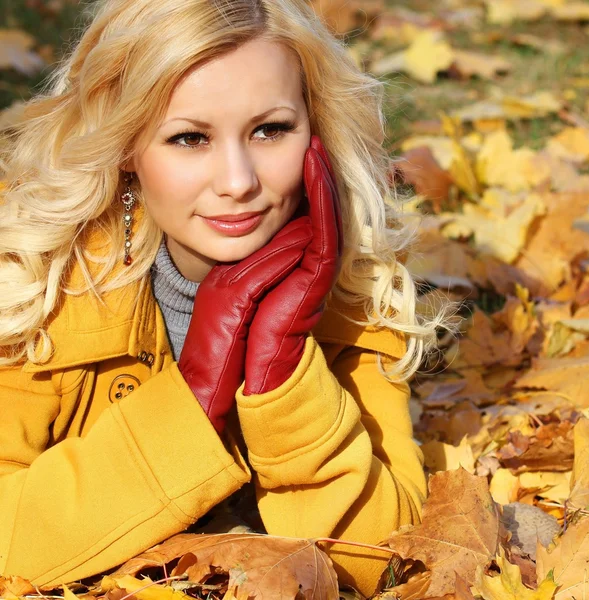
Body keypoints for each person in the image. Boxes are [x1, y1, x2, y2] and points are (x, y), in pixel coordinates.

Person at [0, 0, 454, 595]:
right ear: (126, 150)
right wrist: (193, 395)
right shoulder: (39, 287)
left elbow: (386, 557)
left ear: (316, 133)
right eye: (190, 138)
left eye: (270, 130)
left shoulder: (356, 291)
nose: (238, 181)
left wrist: (283, 371)